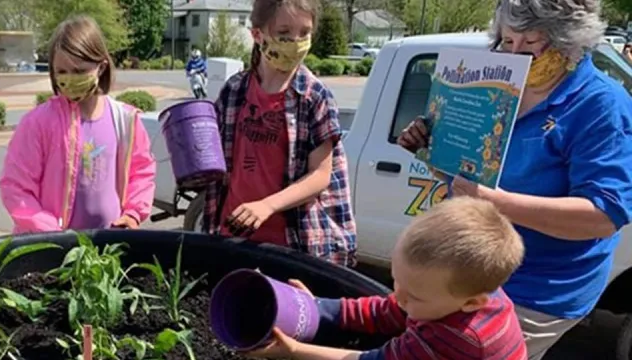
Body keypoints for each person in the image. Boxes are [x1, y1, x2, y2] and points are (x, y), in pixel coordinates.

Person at [398, 0, 632, 358]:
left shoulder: (601, 104)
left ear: (569, 42)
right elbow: (467, 177)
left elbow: (602, 217)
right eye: (507, 42)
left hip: (536, 285)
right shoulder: (498, 84)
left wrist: (496, 203)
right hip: (470, 263)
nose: (516, 54)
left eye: (532, 44)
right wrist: (432, 150)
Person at [247, 197, 527, 360]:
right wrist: (317, 308)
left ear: (471, 303)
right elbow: (387, 310)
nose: (399, 296)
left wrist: (295, 350)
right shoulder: (455, 293)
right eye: (396, 280)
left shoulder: (459, 337)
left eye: (414, 295)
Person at [200, 0, 357, 266]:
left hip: (290, 245)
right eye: (284, 34)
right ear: (258, 35)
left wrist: (266, 205)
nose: (295, 42)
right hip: (233, 233)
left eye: (304, 33)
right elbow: (217, 158)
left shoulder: (314, 97)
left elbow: (320, 176)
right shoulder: (235, 90)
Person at [0, 15, 155, 233]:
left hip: (109, 245)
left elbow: (141, 171)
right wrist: (49, 230)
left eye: (80, 71)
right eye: (62, 71)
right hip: (51, 247)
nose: (70, 78)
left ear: (101, 68)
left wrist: (133, 213)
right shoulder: (38, 122)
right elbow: (16, 186)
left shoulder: (125, 120)